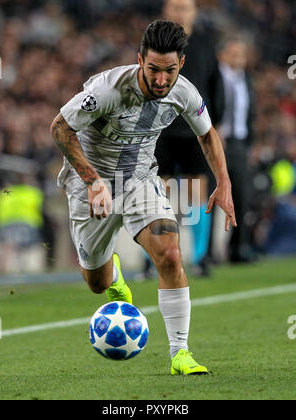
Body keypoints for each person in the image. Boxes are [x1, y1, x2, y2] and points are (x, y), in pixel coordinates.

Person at [50, 20, 236, 376]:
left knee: (170, 252)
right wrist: (92, 181)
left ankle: (180, 353)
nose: (161, 80)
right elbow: (60, 127)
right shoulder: (107, 90)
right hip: (91, 184)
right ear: (140, 61)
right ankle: (113, 274)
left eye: (169, 70)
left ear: (180, 64)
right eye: (153, 69)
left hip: (139, 179)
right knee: (97, 284)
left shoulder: (185, 92)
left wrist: (223, 182)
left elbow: (208, 134)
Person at [154, 0, 225, 277]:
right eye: (175, 7)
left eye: (185, 8)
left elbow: (215, 83)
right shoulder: (155, 41)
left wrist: (214, 124)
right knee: (161, 193)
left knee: (196, 192)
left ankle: (199, 257)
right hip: (162, 129)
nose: (180, 12)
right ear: (166, 11)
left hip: (196, 129)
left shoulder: (206, 43)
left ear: (194, 13)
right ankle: (155, 257)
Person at [218, 35, 255, 262]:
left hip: (239, 144)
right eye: (234, 53)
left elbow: (250, 113)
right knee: (214, 195)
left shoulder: (245, 80)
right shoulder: (216, 77)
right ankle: (208, 253)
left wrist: (250, 142)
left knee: (242, 196)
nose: (239, 58)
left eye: (241, 54)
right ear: (223, 54)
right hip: (218, 142)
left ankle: (237, 249)